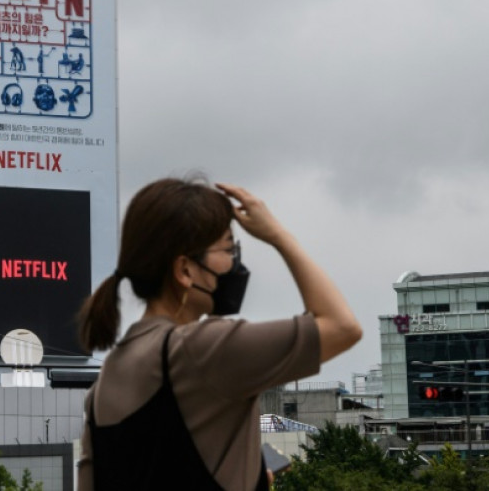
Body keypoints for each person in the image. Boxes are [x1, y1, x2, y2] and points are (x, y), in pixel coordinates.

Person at [77, 178, 362, 490]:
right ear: (185, 270)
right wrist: (279, 236)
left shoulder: (104, 384)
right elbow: (342, 327)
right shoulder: (201, 348)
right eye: (228, 249)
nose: (233, 263)